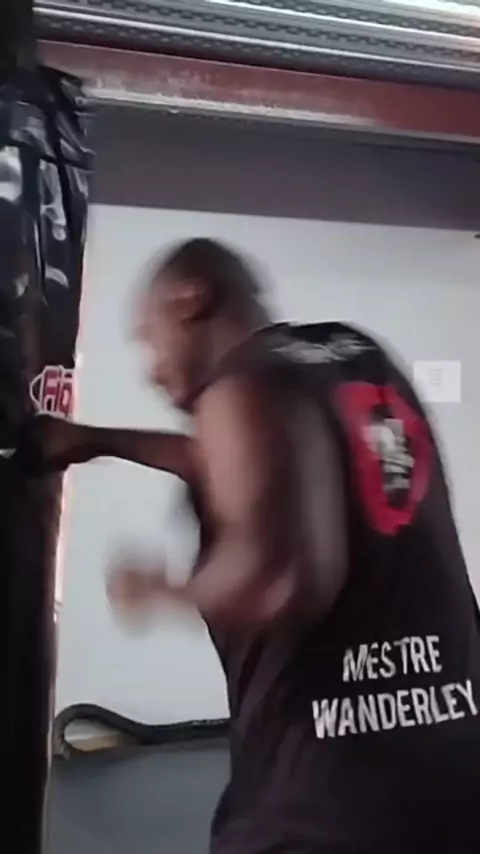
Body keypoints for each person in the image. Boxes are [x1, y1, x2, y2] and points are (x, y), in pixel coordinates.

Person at [18, 238, 480, 853]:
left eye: (149, 340)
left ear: (189, 302)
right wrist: (94, 440)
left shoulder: (239, 389)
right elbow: (260, 472)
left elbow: (279, 580)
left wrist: (160, 589)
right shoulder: (351, 355)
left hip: (325, 806)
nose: (151, 368)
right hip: (455, 767)